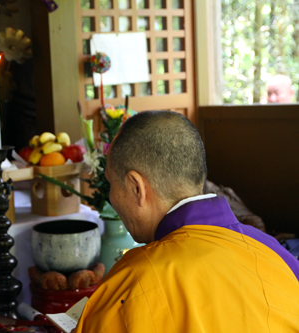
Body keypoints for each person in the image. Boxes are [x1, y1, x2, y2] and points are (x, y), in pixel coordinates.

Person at [73, 111, 299, 332]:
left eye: (112, 183)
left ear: (136, 188)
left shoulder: (135, 279)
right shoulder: (278, 254)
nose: (112, 198)